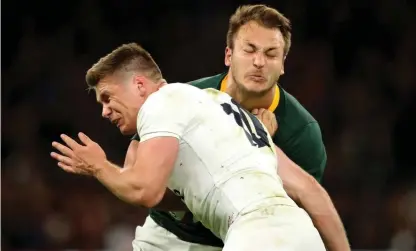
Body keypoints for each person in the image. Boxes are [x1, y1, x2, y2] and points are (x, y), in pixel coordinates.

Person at [50, 42, 326, 251]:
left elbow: (144, 191)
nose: (105, 111)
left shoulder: (163, 103)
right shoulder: (209, 105)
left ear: (139, 84)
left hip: (256, 231)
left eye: (108, 98)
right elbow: (309, 190)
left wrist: (99, 166)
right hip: (292, 230)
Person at [130, 4, 350, 251]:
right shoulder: (188, 96)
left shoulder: (302, 133)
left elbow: (283, 215)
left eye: (271, 54)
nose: (259, 62)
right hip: (168, 236)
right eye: (249, 50)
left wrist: (263, 150)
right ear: (228, 55)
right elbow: (136, 170)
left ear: (283, 63)